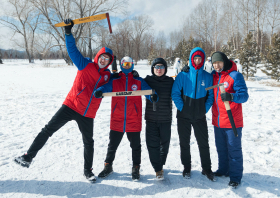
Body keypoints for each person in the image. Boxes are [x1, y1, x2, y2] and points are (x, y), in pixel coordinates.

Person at [14, 19, 114, 183]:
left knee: (88, 142)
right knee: (47, 130)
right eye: (102, 57)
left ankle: (87, 171)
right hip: (71, 105)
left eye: (107, 59)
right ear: (98, 56)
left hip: (88, 113)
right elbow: (72, 50)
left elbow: (111, 85)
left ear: (109, 62)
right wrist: (68, 33)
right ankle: (28, 157)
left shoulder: (107, 75)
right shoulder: (85, 65)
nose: (104, 60)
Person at [94, 56, 157, 181]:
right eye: (124, 64)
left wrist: (153, 97)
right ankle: (108, 166)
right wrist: (99, 91)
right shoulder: (115, 80)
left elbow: (149, 92)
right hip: (117, 118)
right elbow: (105, 88)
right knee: (112, 145)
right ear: (121, 65)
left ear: (132, 65)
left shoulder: (138, 81)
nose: (127, 66)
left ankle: (136, 167)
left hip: (134, 119)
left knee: (136, 146)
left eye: (129, 64)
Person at [172, 47, 215, 181]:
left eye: (199, 58)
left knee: (203, 143)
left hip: (199, 116)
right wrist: (182, 108)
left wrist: (204, 109)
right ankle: (187, 167)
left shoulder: (207, 77)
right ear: (191, 59)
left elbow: (211, 95)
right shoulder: (183, 75)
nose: (197, 60)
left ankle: (206, 169)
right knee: (184, 143)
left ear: (203, 60)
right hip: (183, 116)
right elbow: (175, 93)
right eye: (195, 58)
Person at [211, 51, 249, 189]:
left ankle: (235, 177)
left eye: (219, 62)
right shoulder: (214, 77)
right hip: (218, 121)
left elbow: (244, 96)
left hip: (233, 121)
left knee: (234, 150)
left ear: (225, 62)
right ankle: (223, 170)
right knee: (221, 148)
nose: (216, 65)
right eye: (214, 63)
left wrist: (232, 97)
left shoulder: (235, 76)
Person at [144, 58, 174, 180]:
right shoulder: (147, 80)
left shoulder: (170, 81)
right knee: (152, 144)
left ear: (165, 69)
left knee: (164, 144)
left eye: (162, 67)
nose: (159, 69)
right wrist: (134, 75)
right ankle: (157, 168)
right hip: (151, 118)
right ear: (153, 69)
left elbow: (182, 86)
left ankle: (160, 164)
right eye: (156, 67)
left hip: (165, 119)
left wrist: (185, 73)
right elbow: (135, 83)